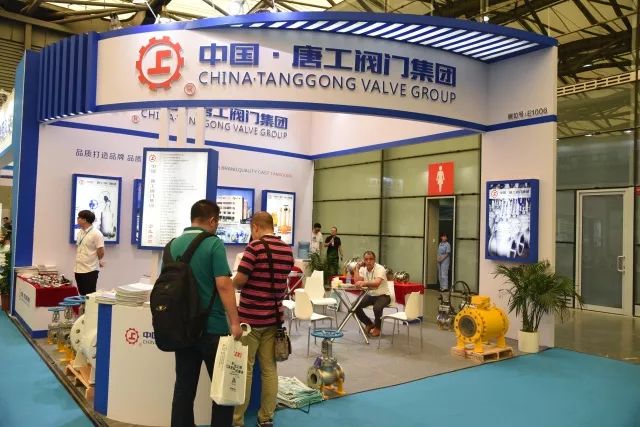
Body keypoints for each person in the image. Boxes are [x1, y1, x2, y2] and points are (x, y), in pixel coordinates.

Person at [170, 200, 242, 427]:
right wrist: (235, 322)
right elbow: (224, 285)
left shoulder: (172, 245)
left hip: (183, 328)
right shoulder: (213, 244)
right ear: (212, 220)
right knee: (222, 389)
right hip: (213, 327)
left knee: (184, 387)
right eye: (217, 222)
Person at [233, 211, 294, 427]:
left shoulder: (254, 247)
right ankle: (266, 417)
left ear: (255, 227)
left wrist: (230, 282)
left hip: (250, 319)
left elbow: (240, 281)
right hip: (273, 319)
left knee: (245, 369)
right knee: (269, 370)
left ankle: (237, 420)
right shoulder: (286, 250)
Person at [353, 251, 390, 338]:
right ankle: (369, 324)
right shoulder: (363, 269)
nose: (368, 261)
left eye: (371, 259)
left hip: (383, 295)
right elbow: (357, 281)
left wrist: (364, 283)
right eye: (366, 259)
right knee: (354, 306)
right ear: (364, 261)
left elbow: (377, 283)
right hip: (370, 295)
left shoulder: (380, 269)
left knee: (377, 308)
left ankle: (377, 328)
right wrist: (357, 268)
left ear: (374, 260)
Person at [74, 210, 105, 295]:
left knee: (89, 295)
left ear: (85, 220)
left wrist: (97, 260)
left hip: (90, 270)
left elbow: (101, 251)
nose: (77, 219)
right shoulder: (80, 232)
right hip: (78, 269)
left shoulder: (96, 234)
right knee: (81, 294)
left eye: (79, 218)